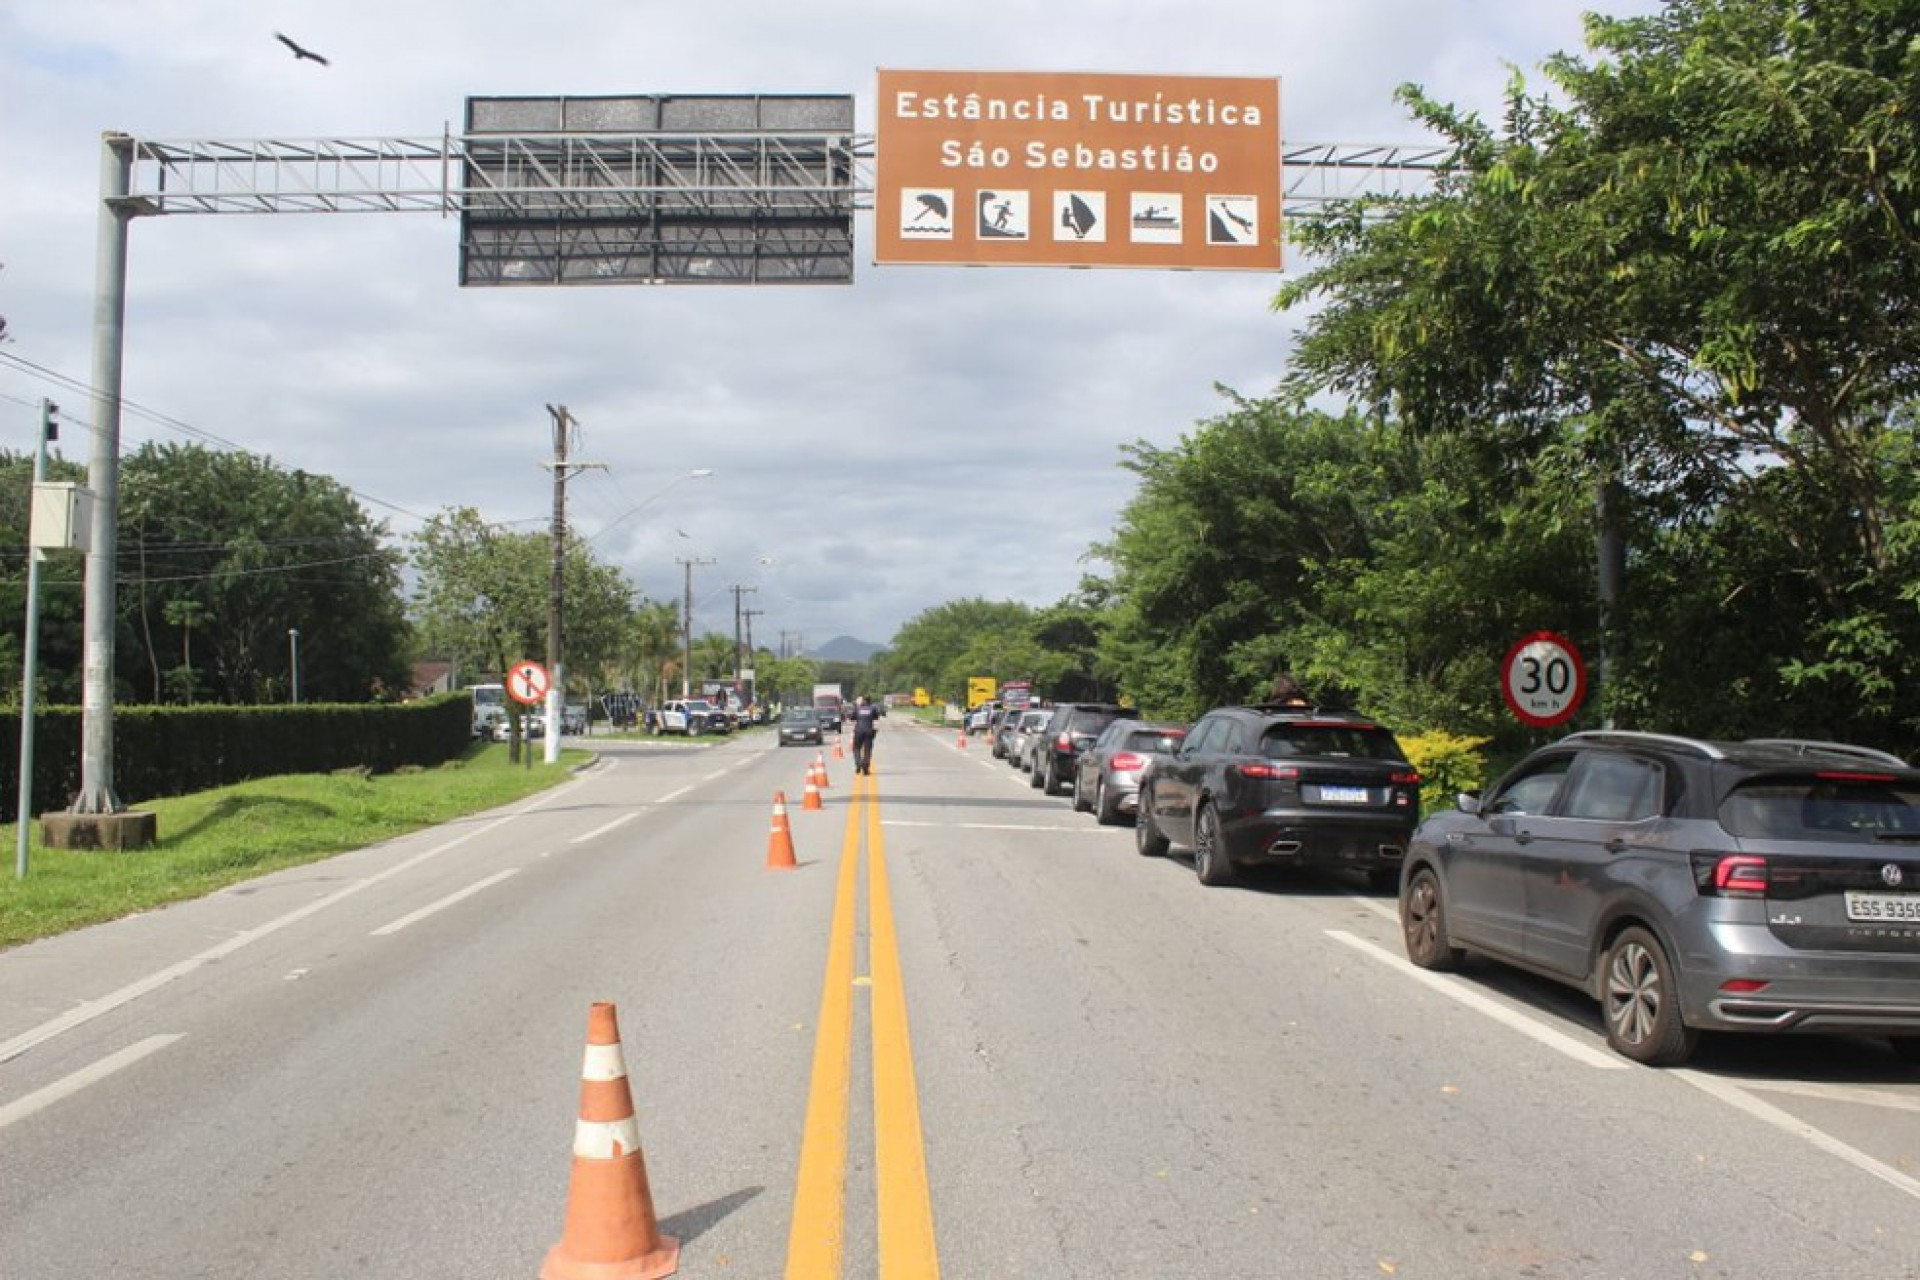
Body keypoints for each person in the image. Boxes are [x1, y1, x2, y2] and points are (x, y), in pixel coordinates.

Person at [850, 695, 880, 774]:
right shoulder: (872, 709)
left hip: (858, 731)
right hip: (869, 731)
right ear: (870, 701)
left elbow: (852, 717)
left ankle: (858, 763)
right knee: (867, 750)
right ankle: (865, 768)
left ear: (863, 701)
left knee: (856, 749)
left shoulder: (858, 708)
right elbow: (876, 717)